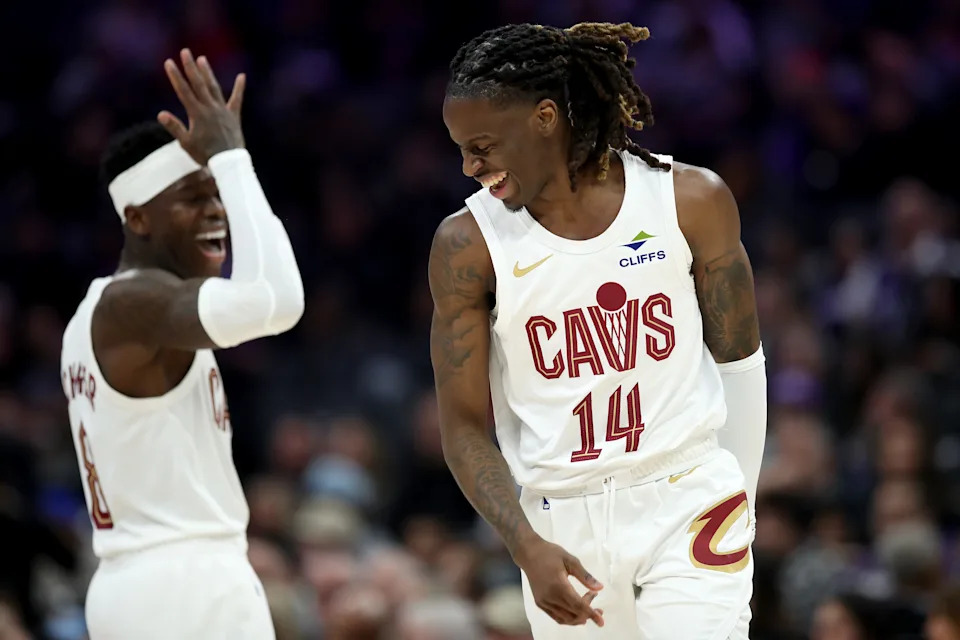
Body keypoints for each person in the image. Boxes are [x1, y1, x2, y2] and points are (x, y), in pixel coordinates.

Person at [429, 22, 767, 638]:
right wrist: (523, 543)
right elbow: (463, 428)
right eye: (460, 148)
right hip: (560, 524)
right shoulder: (467, 244)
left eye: (482, 145)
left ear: (545, 118)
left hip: (688, 498)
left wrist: (741, 501)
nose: (469, 166)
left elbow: (741, 362)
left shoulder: (688, 200)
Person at [60, 49, 304, 638]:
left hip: (137, 584)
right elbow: (278, 299)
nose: (217, 210)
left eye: (217, 193)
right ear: (139, 218)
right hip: (187, 585)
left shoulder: (105, 312)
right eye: (195, 197)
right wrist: (232, 156)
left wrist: (227, 167)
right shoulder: (132, 304)